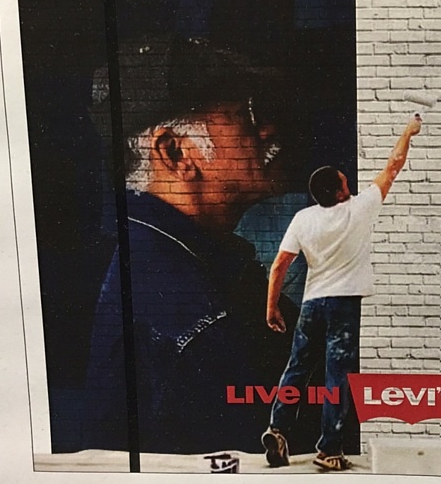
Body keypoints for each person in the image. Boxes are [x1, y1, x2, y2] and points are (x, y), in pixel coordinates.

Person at [80, 34, 318, 454]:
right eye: (245, 112)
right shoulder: (192, 314)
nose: (268, 127)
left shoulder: (178, 258)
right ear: (175, 154)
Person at [261, 114, 423, 470]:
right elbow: (393, 166)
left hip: (311, 304)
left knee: (296, 368)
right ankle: (329, 450)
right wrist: (408, 131)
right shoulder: (359, 208)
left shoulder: (303, 219)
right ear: (339, 191)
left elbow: (279, 266)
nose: (349, 181)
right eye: (344, 180)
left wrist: (271, 308)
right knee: (337, 376)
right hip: (344, 306)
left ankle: (278, 427)